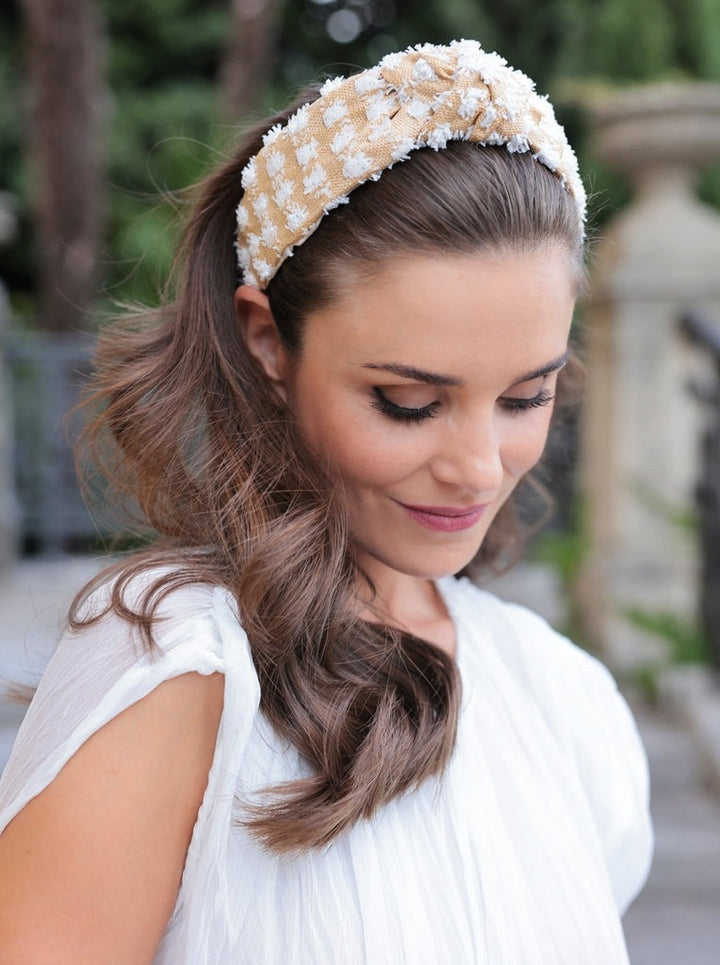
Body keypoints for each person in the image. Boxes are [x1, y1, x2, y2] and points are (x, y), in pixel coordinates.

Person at [0, 39, 652, 964]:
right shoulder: (182, 670)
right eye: (409, 403)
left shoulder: (564, 701)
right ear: (268, 341)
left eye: (525, 396)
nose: (476, 466)